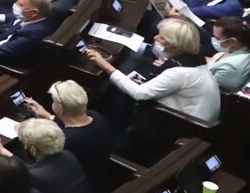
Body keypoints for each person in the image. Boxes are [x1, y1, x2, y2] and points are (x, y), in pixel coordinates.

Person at [88, 17, 221, 121]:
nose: (155, 38)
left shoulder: (179, 72)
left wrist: (105, 65)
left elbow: (139, 94)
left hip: (180, 122)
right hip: (187, 109)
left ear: (174, 46)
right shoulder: (195, 58)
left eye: (161, 38)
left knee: (115, 92)